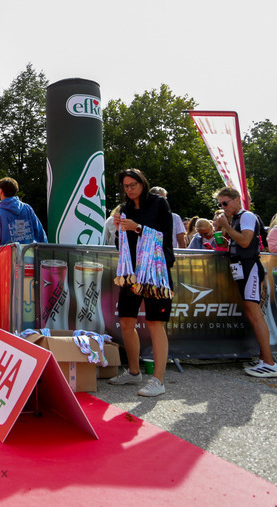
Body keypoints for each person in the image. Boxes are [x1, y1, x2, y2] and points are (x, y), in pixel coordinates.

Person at [108, 168, 175, 397]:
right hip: (132, 272)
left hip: (156, 270)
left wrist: (135, 227)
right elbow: (121, 244)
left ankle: (158, 380)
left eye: (133, 185)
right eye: (126, 186)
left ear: (142, 183)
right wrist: (120, 229)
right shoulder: (125, 209)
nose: (129, 189)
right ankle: (135, 372)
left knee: (156, 323)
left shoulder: (158, 203)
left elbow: (165, 236)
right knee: (126, 321)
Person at [213, 187, 277, 378]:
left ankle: (269, 362)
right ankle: (263, 358)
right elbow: (237, 243)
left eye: (225, 203)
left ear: (236, 200)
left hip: (249, 267)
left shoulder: (247, 216)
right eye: (220, 204)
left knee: (255, 313)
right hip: (240, 268)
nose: (223, 207)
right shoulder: (235, 219)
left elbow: (245, 241)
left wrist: (226, 227)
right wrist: (225, 237)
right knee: (251, 313)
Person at [0, 177, 48, 245]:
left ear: (1, 191)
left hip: (7, 254)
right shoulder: (27, 208)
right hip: (28, 253)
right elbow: (40, 233)